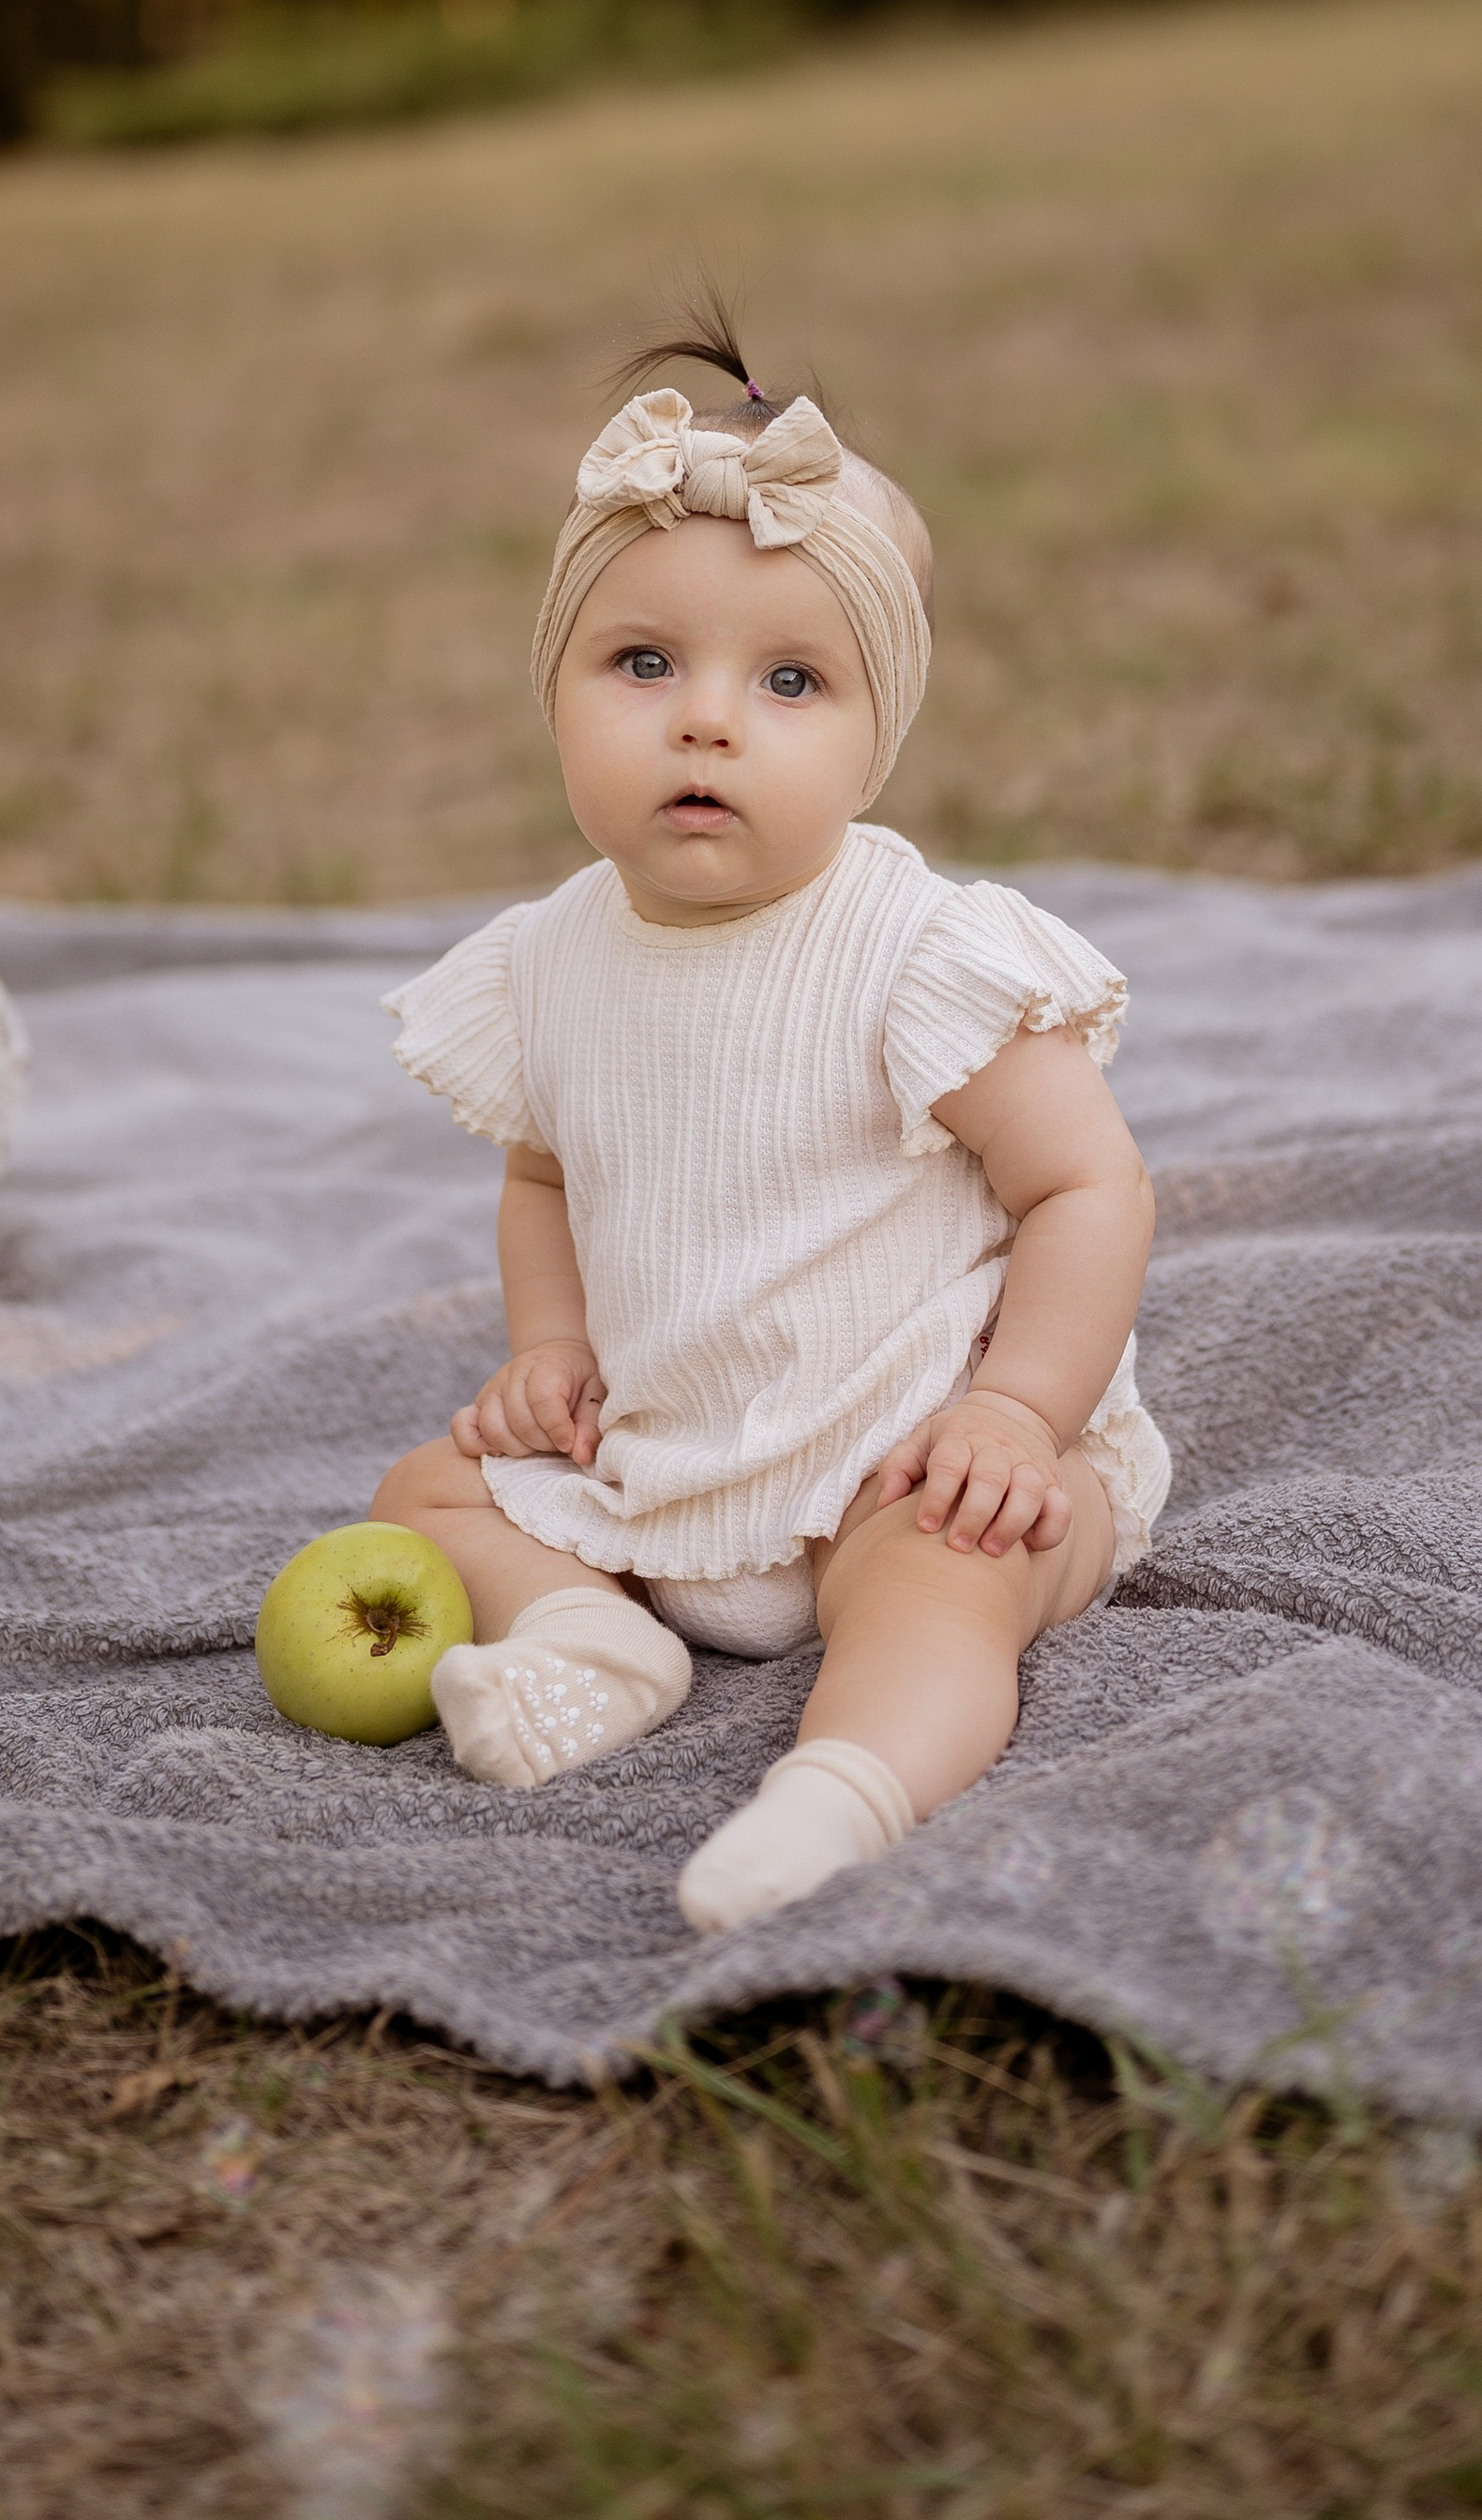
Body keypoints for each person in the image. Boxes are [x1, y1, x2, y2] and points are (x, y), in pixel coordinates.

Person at [375, 321, 1167, 1933]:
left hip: (914, 1444)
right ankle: (596, 1643)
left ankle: (844, 1789)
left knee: (951, 1578)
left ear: (879, 739)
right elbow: (546, 1172)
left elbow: (1089, 1184)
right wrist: (552, 1345)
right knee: (426, 1489)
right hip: (672, 1466)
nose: (707, 722)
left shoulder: (915, 949)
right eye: (644, 664)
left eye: (790, 680)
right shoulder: (548, 961)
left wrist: (1018, 1412)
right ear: (554, 694)